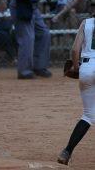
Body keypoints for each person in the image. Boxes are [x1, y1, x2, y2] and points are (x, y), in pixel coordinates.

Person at [57, 16, 95, 165]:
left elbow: (75, 50)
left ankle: (66, 152)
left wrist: (78, 68)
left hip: (86, 68)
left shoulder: (86, 22)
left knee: (88, 115)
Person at [10, 0, 52, 79]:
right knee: (27, 38)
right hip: (22, 6)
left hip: (33, 6)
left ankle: (39, 66)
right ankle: (24, 71)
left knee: (44, 33)